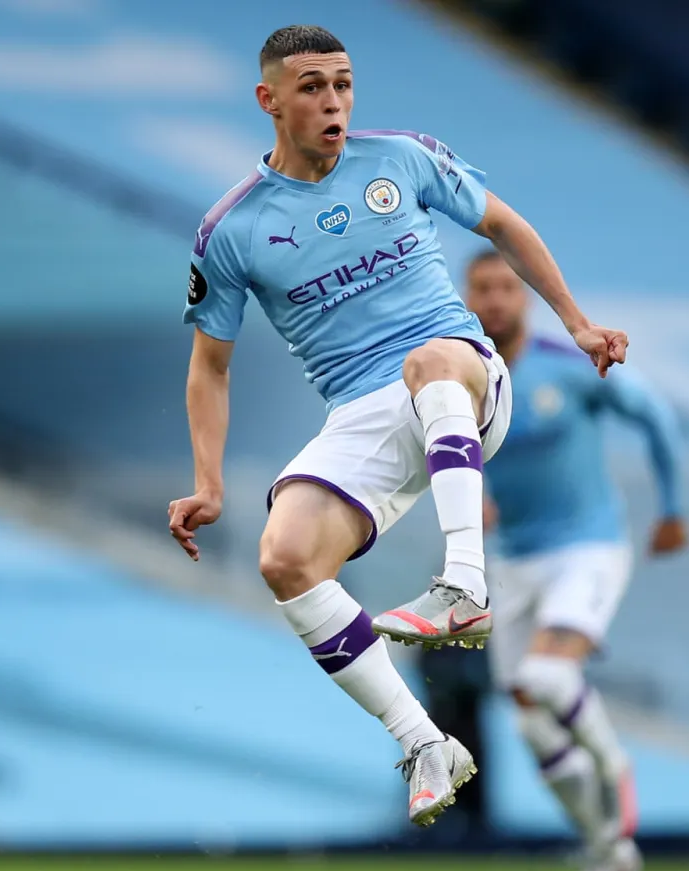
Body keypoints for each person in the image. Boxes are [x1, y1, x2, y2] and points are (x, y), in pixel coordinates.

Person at [164, 25, 627, 829]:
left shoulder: (403, 159)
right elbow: (210, 367)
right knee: (285, 556)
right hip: (361, 411)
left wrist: (578, 324)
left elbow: (504, 225)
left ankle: (464, 585)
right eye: (311, 87)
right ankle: (423, 743)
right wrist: (208, 481)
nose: (333, 101)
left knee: (429, 364)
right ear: (268, 100)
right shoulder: (232, 231)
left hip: (464, 372)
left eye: (342, 83)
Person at [464, 250, 688, 871]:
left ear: (525, 298)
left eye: (507, 286)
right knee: (530, 718)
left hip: (587, 548)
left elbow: (655, 417)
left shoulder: (571, 367)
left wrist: (672, 509)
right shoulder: (466, 379)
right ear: (468, 298)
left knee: (546, 675)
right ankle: (607, 852)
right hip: (512, 562)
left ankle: (614, 763)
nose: (496, 299)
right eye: (483, 288)